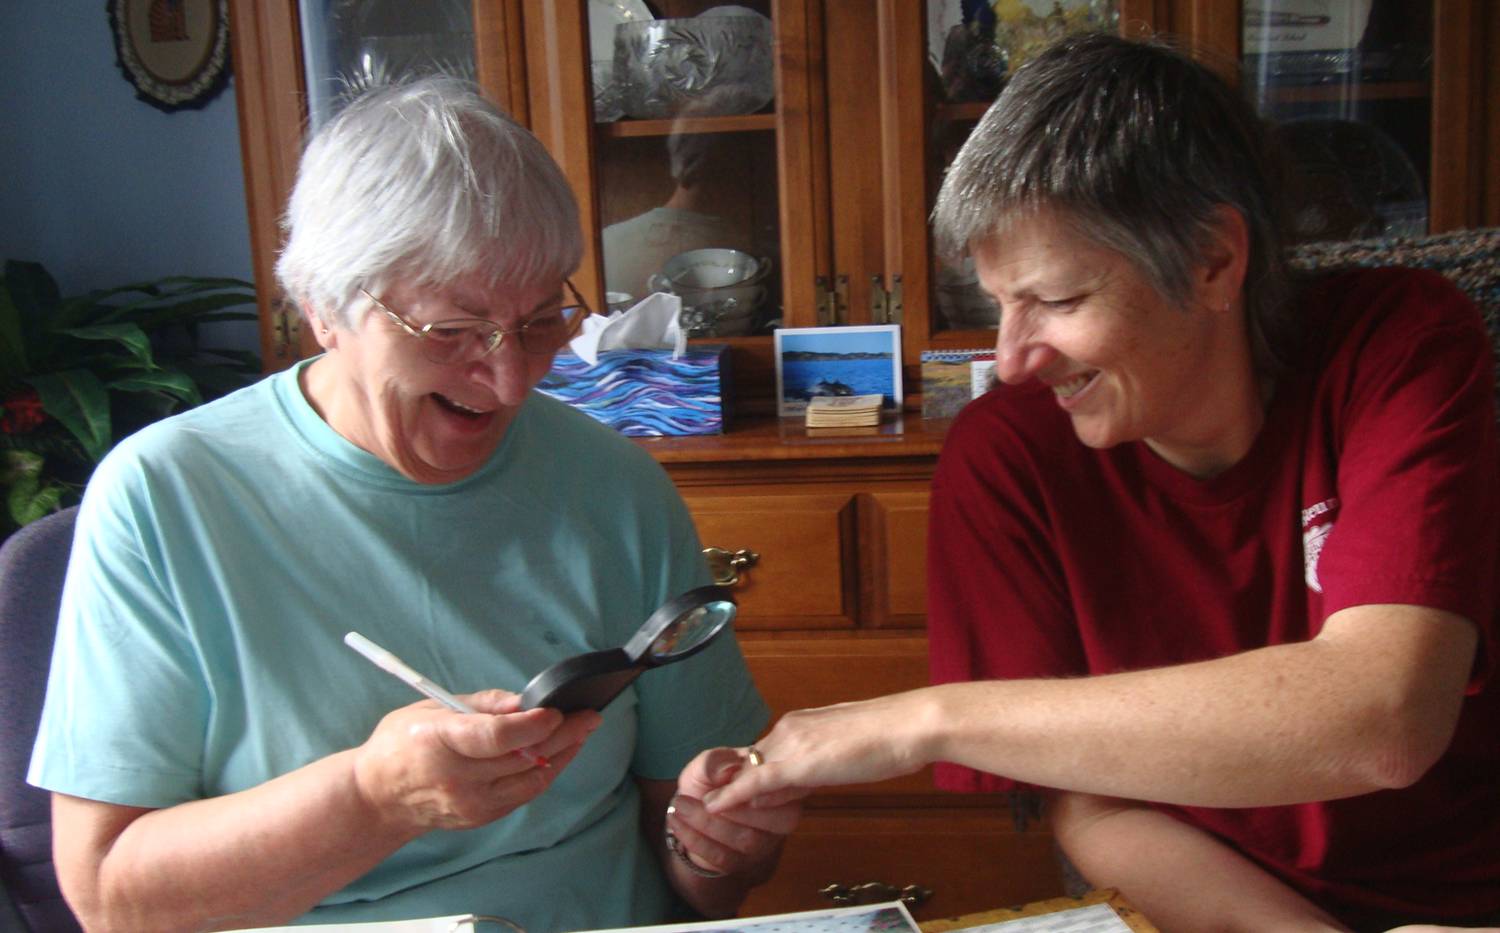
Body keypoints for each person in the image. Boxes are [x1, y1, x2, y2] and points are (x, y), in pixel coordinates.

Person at [704, 34, 1500, 933]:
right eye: (995, 303)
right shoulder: (1004, 455)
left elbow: (1383, 716)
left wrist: (926, 717)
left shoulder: (1400, 344)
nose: (1007, 361)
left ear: (1212, 261)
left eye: (1059, 300)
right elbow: (1092, 805)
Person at [28, 76, 798, 932]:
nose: (511, 380)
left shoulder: (616, 486)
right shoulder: (164, 498)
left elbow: (709, 880)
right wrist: (372, 797)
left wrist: (720, 845)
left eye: (543, 319)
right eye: (451, 330)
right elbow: (109, 897)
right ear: (326, 308)